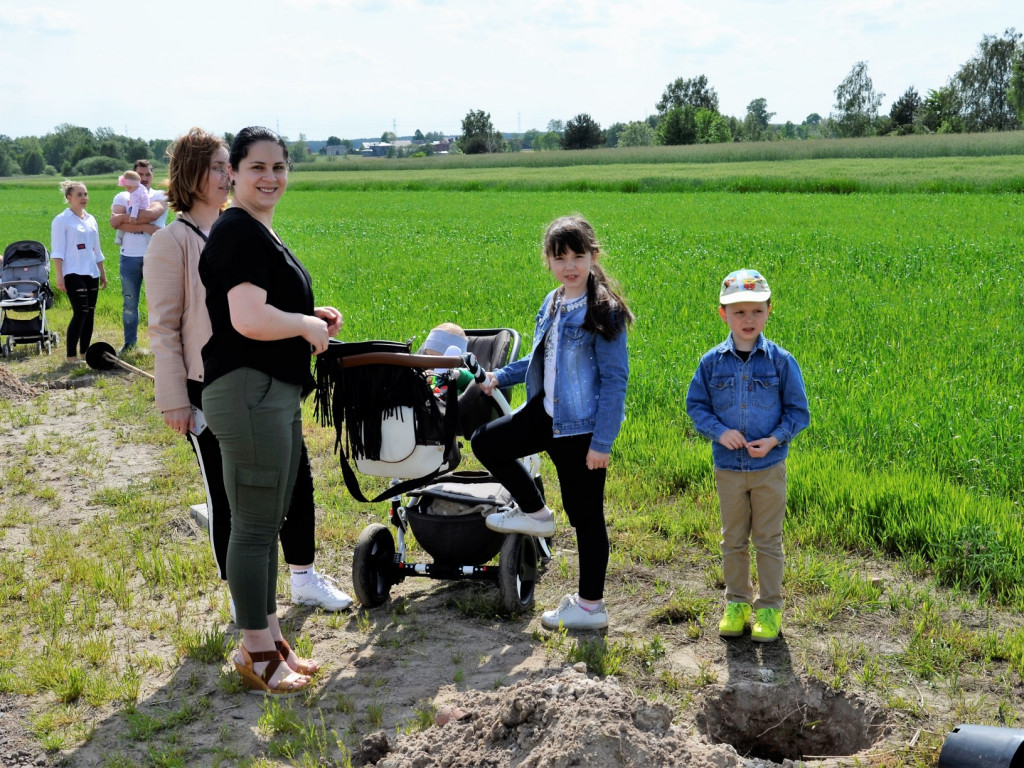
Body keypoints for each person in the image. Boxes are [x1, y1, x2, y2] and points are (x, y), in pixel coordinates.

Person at [144, 127, 351, 623]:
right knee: (230, 499)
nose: (224, 174)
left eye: (224, 164)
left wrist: (305, 314)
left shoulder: (244, 227)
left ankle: (301, 577)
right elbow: (164, 328)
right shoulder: (171, 242)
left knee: (295, 482)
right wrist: (175, 398)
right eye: (217, 166)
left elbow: (259, 302)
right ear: (191, 176)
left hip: (260, 377)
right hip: (210, 384)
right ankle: (246, 602)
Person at [199, 126, 343, 696]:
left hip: (270, 389)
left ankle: (273, 639)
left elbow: (266, 308)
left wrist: (311, 314)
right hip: (249, 389)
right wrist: (305, 325)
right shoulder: (238, 231)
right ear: (233, 173)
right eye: (257, 166)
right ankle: (255, 651)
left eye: (279, 167)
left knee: (268, 517)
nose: (270, 177)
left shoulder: (259, 232)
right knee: (256, 522)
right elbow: (248, 319)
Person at [472, 215, 633, 631]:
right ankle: (538, 513)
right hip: (544, 412)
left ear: (593, 256)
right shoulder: (553, 301)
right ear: (548, 260)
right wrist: (497, 377)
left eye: (578, 256)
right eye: (560, 257)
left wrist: (602, 442)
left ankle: (590, 607)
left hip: (581, 430)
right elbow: (539, 359)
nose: (570, 266)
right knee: (487, 443)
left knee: (586, 518)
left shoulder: (605, 311)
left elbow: (616, 381)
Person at [685, 269, 810, 643]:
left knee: (768, 540)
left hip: (768, 468)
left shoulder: (781, 362)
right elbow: (697, 407)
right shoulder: (711, 363)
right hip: (728, 469)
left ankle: (769, 608)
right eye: (739, 313)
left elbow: (798, 413)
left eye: (756, 311)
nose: (748, 320)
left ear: (769, 311)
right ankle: (737, 602)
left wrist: (773, 440)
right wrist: (720, 432)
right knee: (733, 540)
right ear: (723, 315)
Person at [110, 159, 168, 356]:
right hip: (129, 257)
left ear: (152, 176)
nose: (143, 179)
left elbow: (152, 214)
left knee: (158, 304)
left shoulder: (160, 195)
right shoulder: (121, 195)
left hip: (156, 257)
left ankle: (159, 348)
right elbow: (115, 223)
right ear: (130, 178)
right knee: (129, 304)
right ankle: (130, 344)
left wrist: (130, 219)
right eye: (139, 175)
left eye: (147, 175)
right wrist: (147, 227)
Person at [50, 180, 107, 363]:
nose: (84, 198)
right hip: (73, 272)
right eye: (79, 195)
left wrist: (102, 272)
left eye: (85, 194)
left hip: (91, 272)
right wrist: (59, 275)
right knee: (80, 311)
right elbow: (57, 251)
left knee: (90, 312)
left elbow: (96, 250)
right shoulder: (61, 220)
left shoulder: (91, 219)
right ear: (69, 198)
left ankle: (85, 352)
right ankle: (70, 355)